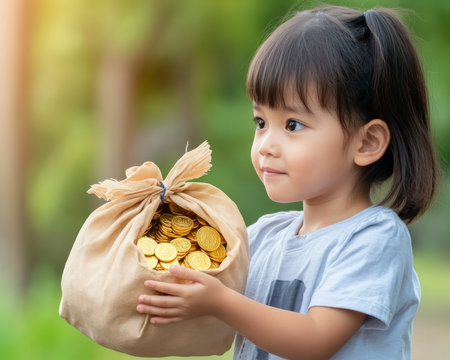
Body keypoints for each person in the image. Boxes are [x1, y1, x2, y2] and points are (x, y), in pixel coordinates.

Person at [136, 5, 440, 359]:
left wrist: (219, 302)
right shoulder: (263, 236)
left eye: (292, 125)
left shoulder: (374, 239)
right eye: (261, 122)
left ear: (367, 142)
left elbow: (316, 338)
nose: (265, 145)